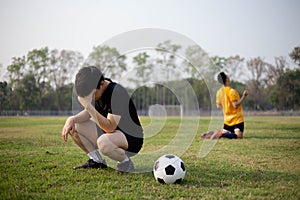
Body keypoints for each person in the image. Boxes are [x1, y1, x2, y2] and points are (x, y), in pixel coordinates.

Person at [61, 66, 144, 173]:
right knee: (75, 126)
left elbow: (110, 127)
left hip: (131, 139)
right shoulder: (97, 87)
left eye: (92, 95)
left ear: (102, 84)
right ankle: (97, 161)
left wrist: (87, 105)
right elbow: (88, 113)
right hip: (112, 134)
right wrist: (72, 119)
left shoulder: (116, 93)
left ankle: (125, 162)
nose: (91, 99)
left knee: (104, 142)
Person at [211, 72, 248, 139]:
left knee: (228, 133)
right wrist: (244, 96)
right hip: (237, 119)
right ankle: (221, 134)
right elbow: (235, 105)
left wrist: (226, 105)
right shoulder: (232, 91)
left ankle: (213, 134)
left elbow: (218, 106)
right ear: (226, 79)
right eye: (227, 75)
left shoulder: (219, 92)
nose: (228, 76)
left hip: (227, 120)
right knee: (239, 136)